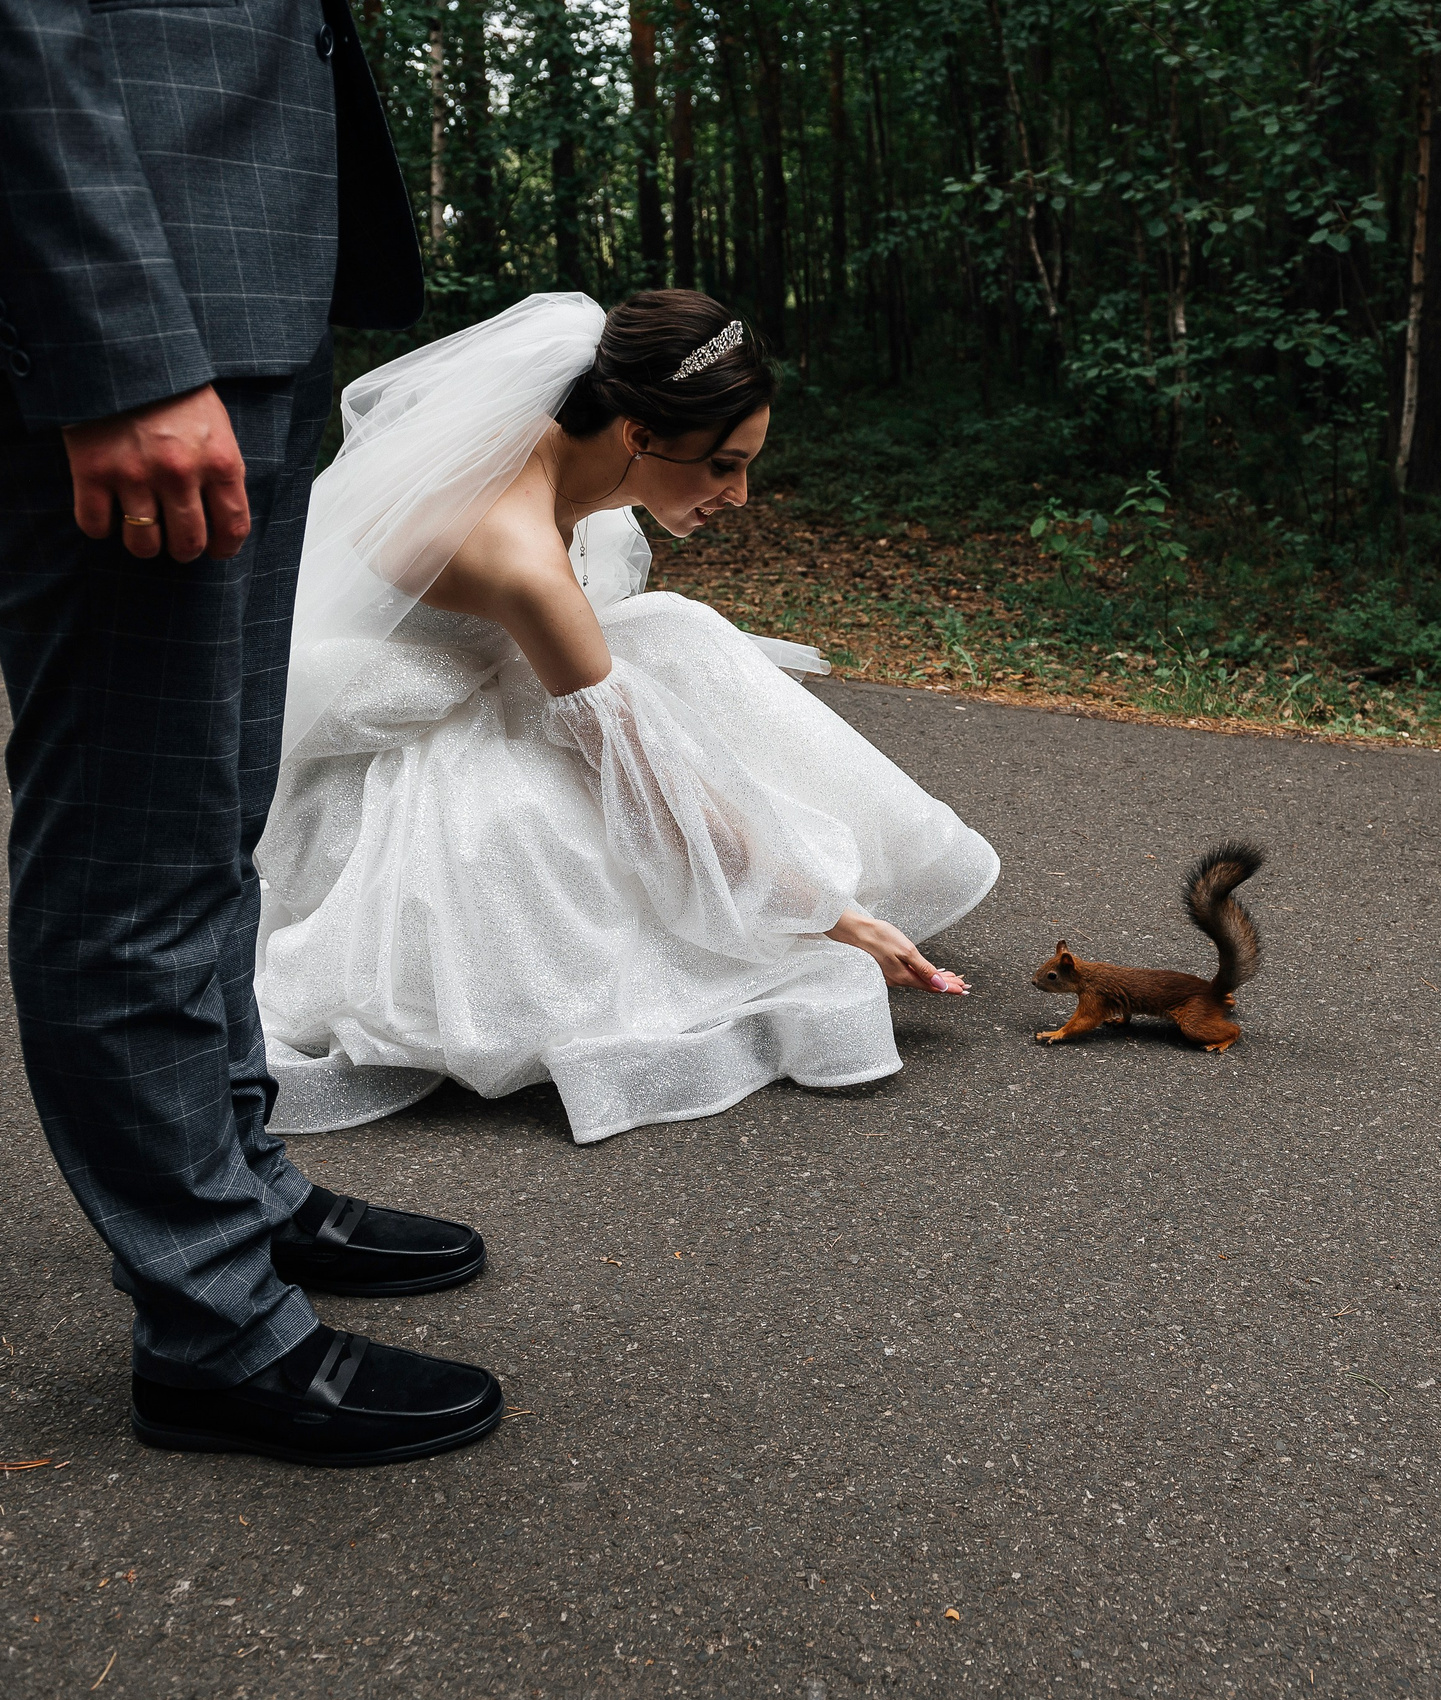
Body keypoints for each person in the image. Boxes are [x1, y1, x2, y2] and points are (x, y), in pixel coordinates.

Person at [0, 0, 507, 1469]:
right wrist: (118, 349)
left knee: (210, 799)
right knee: (131, 832)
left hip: (226, 263)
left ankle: (240, 1190)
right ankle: (216, 1326)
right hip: (125, 294)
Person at [257, 289, 997, 1143]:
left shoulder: (558, 435)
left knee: (678, 635)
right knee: (545, 827)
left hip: (503, 670)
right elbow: (647, 776)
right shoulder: (520, 556)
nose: (743, 494)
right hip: (389, 764)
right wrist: (829, 913)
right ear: (639, 434)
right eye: (723, 464)